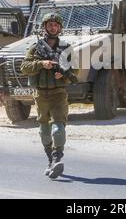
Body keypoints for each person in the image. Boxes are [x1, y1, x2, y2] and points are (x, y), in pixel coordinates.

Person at [21, 13, 78, 179]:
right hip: (40, 94)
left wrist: (64, 75)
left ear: (60, 28)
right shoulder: (35, 48)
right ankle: (50, 160)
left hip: (58, 93)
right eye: (50, 25)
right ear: (44, 27)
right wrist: (41, 64)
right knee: (44, 129)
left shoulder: (66, 48)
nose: (53, 28)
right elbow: (24, 67)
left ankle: (57, 158)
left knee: (58, 128)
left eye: (56, 25)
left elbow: (75, 69)